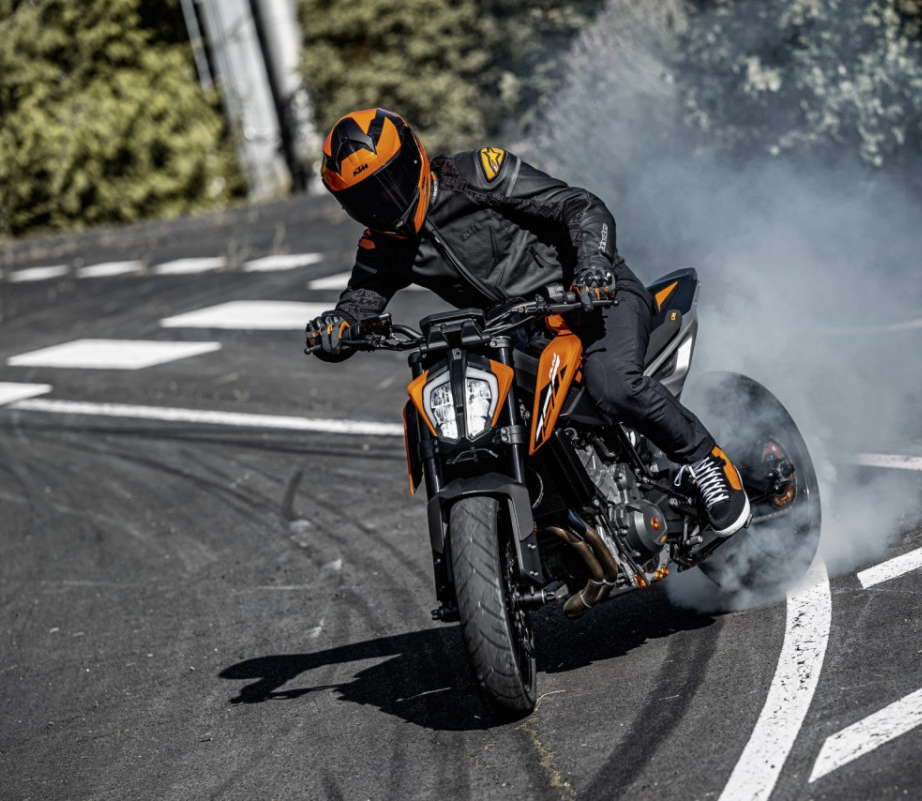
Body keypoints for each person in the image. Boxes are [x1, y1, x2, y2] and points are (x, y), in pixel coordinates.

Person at [305, 108, 750, 535]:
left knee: (612, 381)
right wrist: (337, 328)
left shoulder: (476, 174)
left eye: (389, 184)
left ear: (414, 157)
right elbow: (359, 303)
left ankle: (707, 461)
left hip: (592, 297)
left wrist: (593, 267)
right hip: (517, 333)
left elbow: (580, 206)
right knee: (486, 418)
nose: (384, 205)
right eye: (365, 200)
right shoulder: (383, 246)